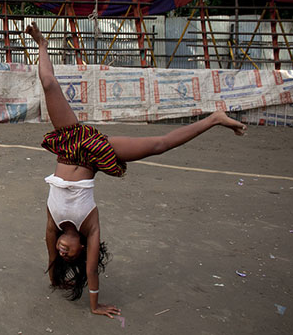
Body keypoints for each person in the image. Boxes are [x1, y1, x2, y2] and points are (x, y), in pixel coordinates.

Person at [25, 22, 246, 317]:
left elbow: (51, 253)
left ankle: (41, 43)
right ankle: (214, 119)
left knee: (49, 84)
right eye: (70, 255)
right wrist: (95, 306)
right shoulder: (90, 228)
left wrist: (55, 278)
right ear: (81, 250)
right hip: (95, 155)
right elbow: (91, 270)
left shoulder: (53, 224)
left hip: (71, 143)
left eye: (62, 253)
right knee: (158, 145)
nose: (64, 251)